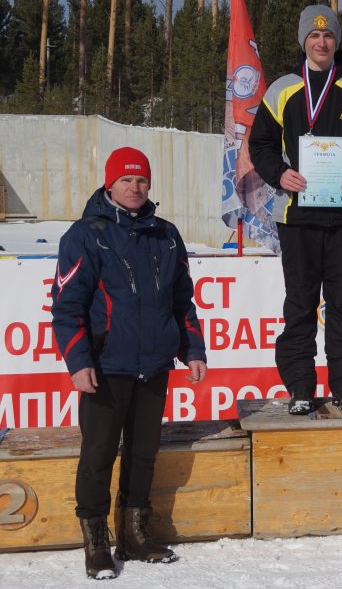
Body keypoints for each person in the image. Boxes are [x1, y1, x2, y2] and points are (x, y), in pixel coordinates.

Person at [51, 147, 207, 580]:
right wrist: (78, 361)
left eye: (141, 181)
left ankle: (136, 534)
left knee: (143, 453)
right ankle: (96, 541)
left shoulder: (166, 234)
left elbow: (182, 301)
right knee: (98, 455)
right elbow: (67, 307)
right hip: (106, 366)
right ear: (109, 184)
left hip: (154, 365)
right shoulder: (85, 234)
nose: (135, 187)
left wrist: (193, 349)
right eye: (126, 180)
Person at [249, 4, 342, 415]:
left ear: (336, 41)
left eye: (328, 35)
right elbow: (258, 145)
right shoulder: (282, 90)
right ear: (303, 41)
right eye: (314, 36)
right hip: (296, 217)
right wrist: (280, 174)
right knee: (300, 302)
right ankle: (300, 386)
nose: (322, 42)